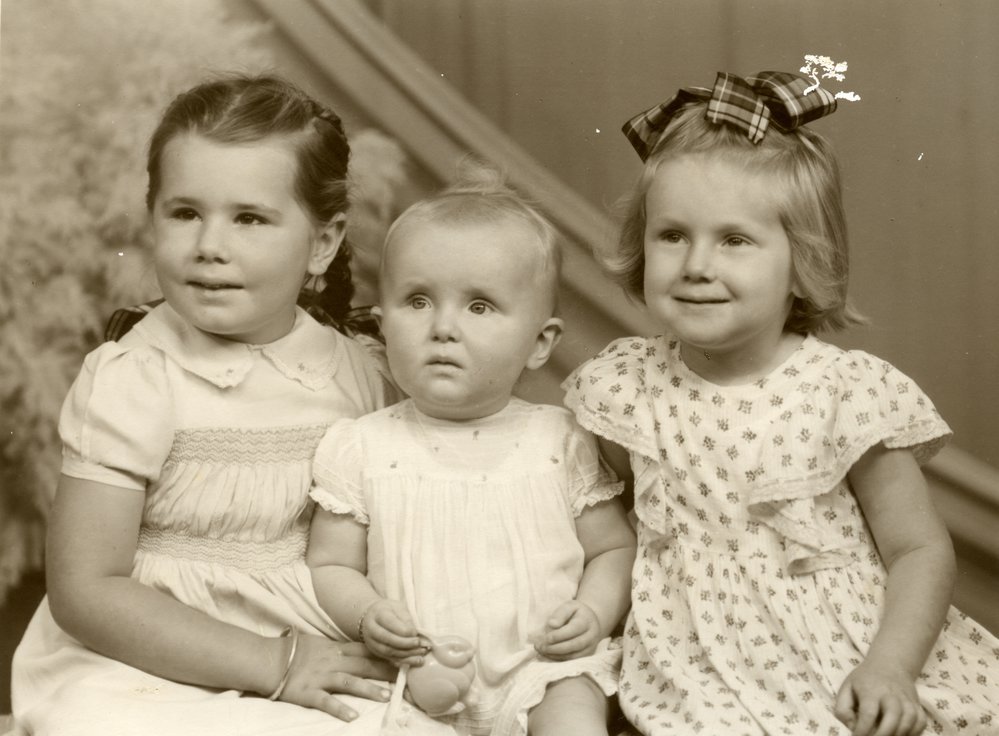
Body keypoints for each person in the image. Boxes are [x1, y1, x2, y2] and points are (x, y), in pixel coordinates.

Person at [563, 68, 999, 736]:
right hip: (696, 665)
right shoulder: (629, 389)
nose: (696, 264)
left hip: (852, 654)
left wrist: (889, 668)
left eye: (734, 240)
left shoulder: (842, 393)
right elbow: (606, 525)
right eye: (671, 235)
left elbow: (917, 550)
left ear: (800, 263)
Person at [11, 73, 404, 736]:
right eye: (185, 212)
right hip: (139, 656)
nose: (209, 246)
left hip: (306, 636)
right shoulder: (135, 376)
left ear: (323, 241)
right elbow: (85, 590)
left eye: (249, 218)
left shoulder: (357, 370)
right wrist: (270, 664)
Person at [306, 173, 638, 736]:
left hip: (543, 670)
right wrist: (365, 614)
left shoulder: (558, 440)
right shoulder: (360, 445)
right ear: (383, 329)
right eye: (418, 301)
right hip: (411, 674)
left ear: (539, 344)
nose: (443, 328)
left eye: (479, 306)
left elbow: (613, 547)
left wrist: (592, 612)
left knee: (573, 717)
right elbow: (331, 563)